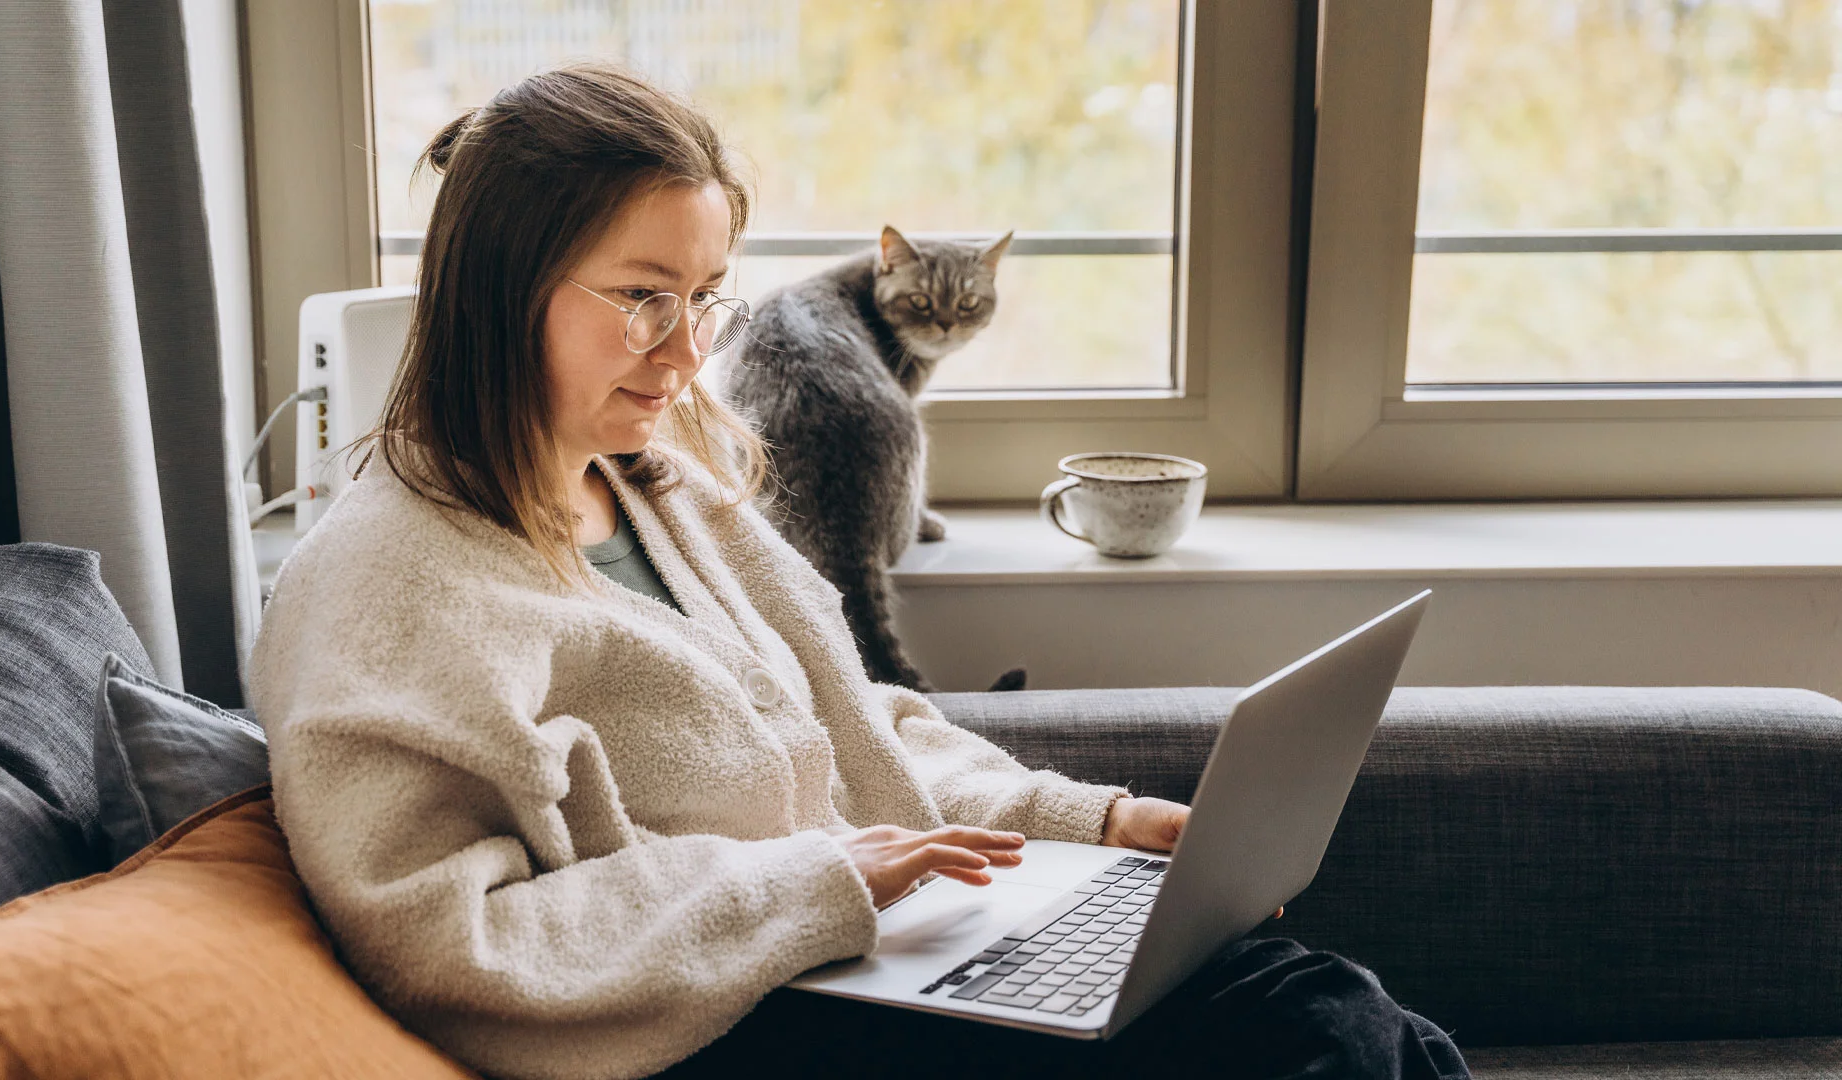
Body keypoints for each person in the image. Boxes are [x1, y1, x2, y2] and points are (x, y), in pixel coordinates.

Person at [248, 63, 1471, 1080]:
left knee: (1332, 1011)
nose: (685, 353)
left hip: (866, 960)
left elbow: (849, 723)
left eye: (707, 298)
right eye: (641, 300)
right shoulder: (390, 584)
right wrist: (812, 881)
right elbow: (446, 941)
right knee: (1310, 1032)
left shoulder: (660, 478)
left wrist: (1086, 823)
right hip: (724, 1028)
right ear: (497, 290)